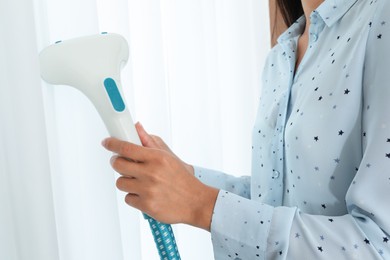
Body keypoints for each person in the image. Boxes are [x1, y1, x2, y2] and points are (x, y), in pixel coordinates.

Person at [101, 0, 390, 258]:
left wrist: (202, 204)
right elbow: (274, 199)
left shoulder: (380, 20)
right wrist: (187, 178)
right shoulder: (280, 56)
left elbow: (380, 245)